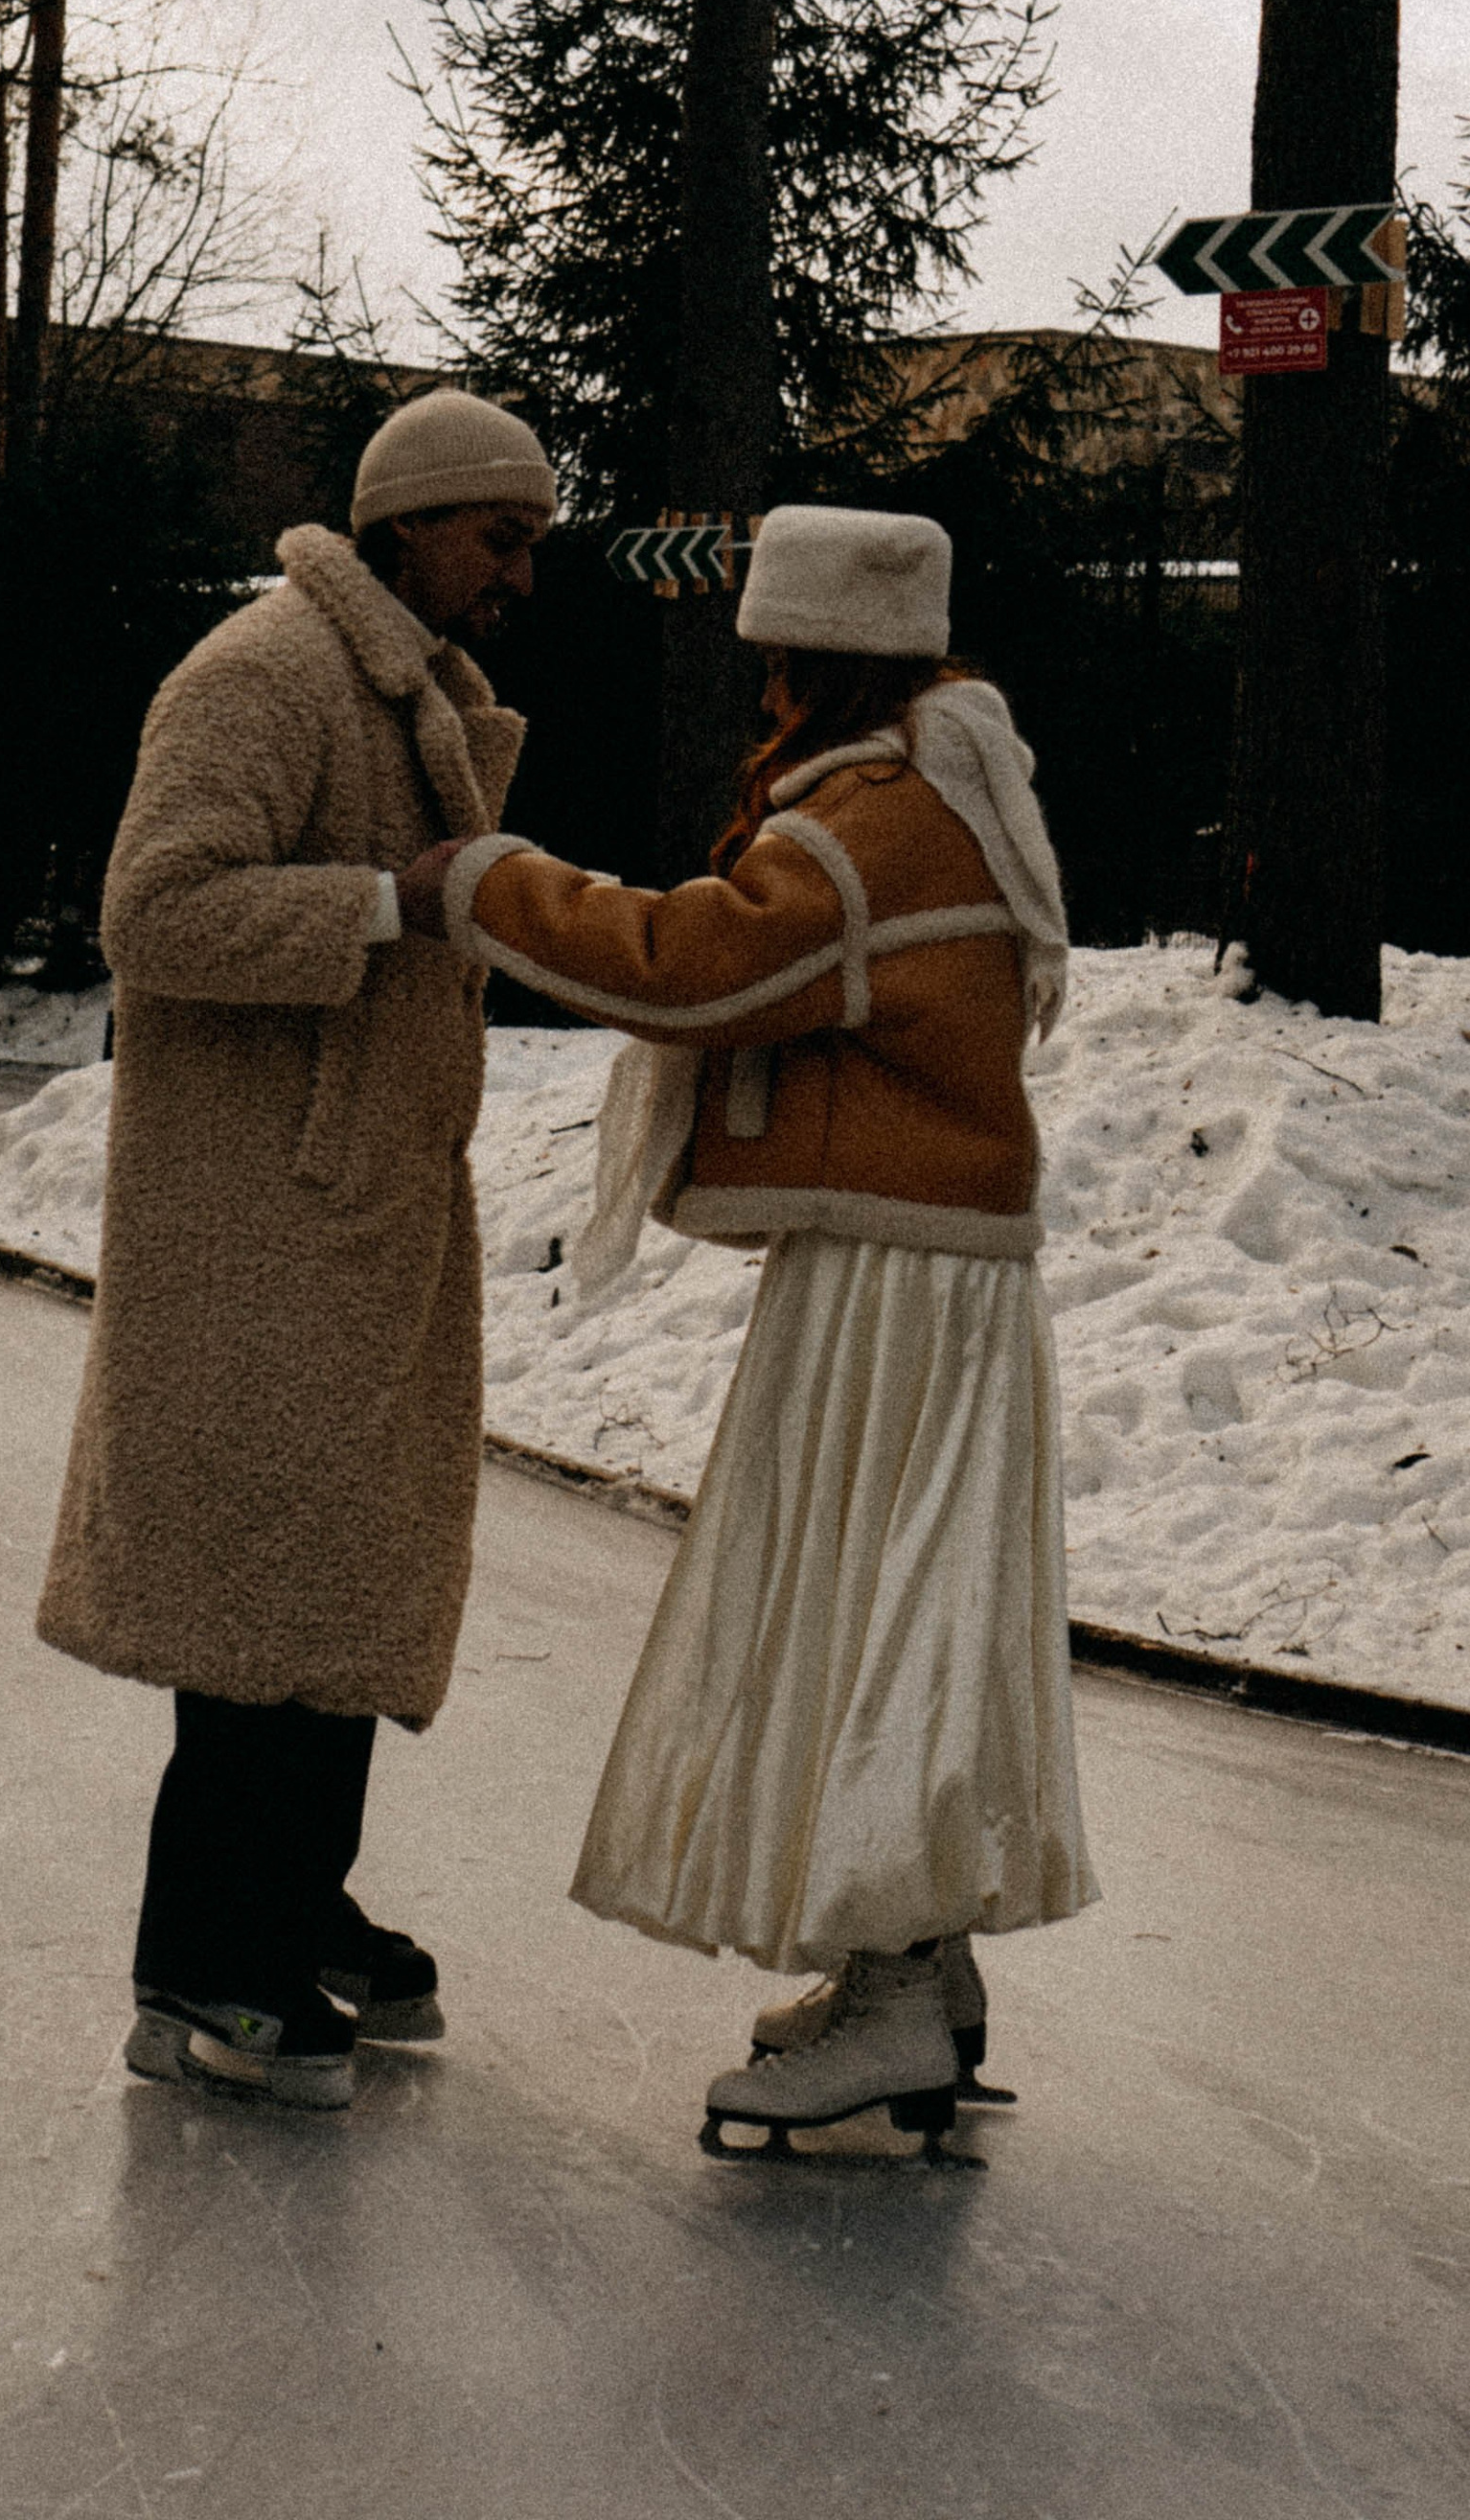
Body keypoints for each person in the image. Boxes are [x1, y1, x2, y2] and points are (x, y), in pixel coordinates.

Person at [407, 502, 1096, 2162]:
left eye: (779, 664)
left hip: (894, 1285)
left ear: (818, 658)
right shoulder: (952, 785)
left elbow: (689, 968)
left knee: (859, 1618)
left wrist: (487, 883)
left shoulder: (872, 827)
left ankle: (891, 1992)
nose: (765, 699)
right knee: (902, 1614)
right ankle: (919, 1970)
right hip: (932, 1272)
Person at [35, 384, 556, 2111]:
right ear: (410, 523)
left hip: (354, 1219)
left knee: (334, 1583)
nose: (521, 576)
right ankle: (203, 1964)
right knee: (257, 1597)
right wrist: (386, 905)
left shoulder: (400, 691)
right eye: (503, 538)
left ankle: (290, 1905)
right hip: (256, 1226)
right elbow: (152, 911)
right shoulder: (263, 675)